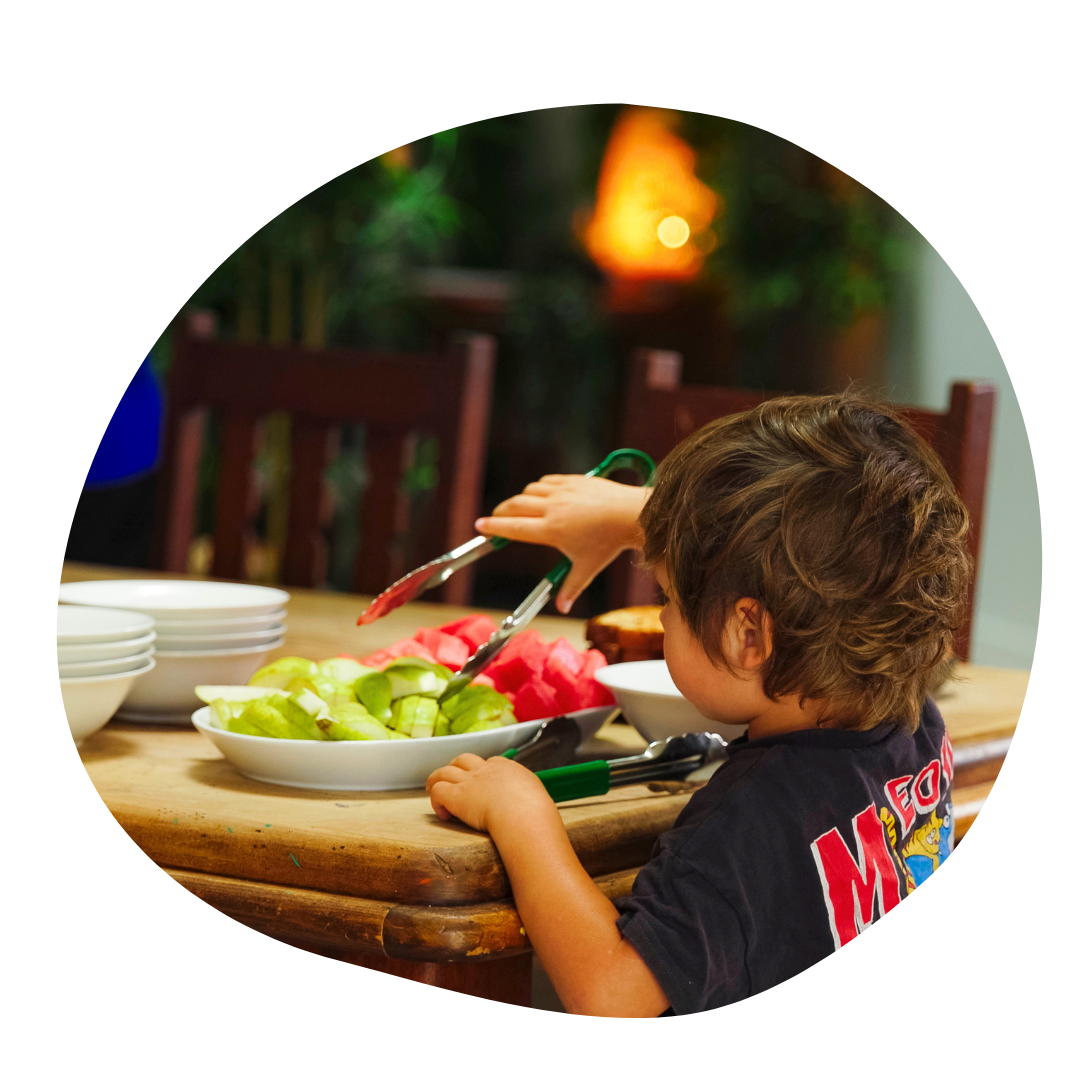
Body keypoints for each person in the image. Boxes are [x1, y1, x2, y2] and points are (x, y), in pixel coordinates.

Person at [425, 392, 969, 1017]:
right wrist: (636, 515)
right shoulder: (913, 721)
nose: (661, 614)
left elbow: (612, 997)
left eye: (670, 594)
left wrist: (523, 815)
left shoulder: (745, 824)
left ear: (749, 636)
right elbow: (848, 545)